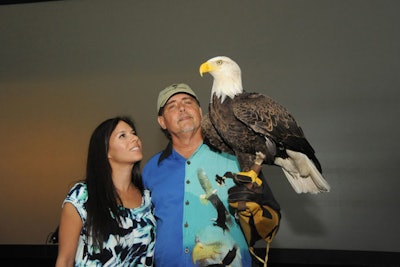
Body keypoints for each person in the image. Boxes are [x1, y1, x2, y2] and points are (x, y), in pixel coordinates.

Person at [143, 83, 254, 266]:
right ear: (162, 121)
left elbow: (267, 214)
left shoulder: (234, 159)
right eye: (172, 106)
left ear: (200, 112)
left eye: (188, 102)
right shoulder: (151, 169)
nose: (182, 108)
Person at [55, 116, 156, 267]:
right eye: (123, 135)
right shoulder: (82, 196)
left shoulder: (147, 198)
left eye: (134, 133)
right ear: (106, 151)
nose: (135, 138)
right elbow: (65, 260)